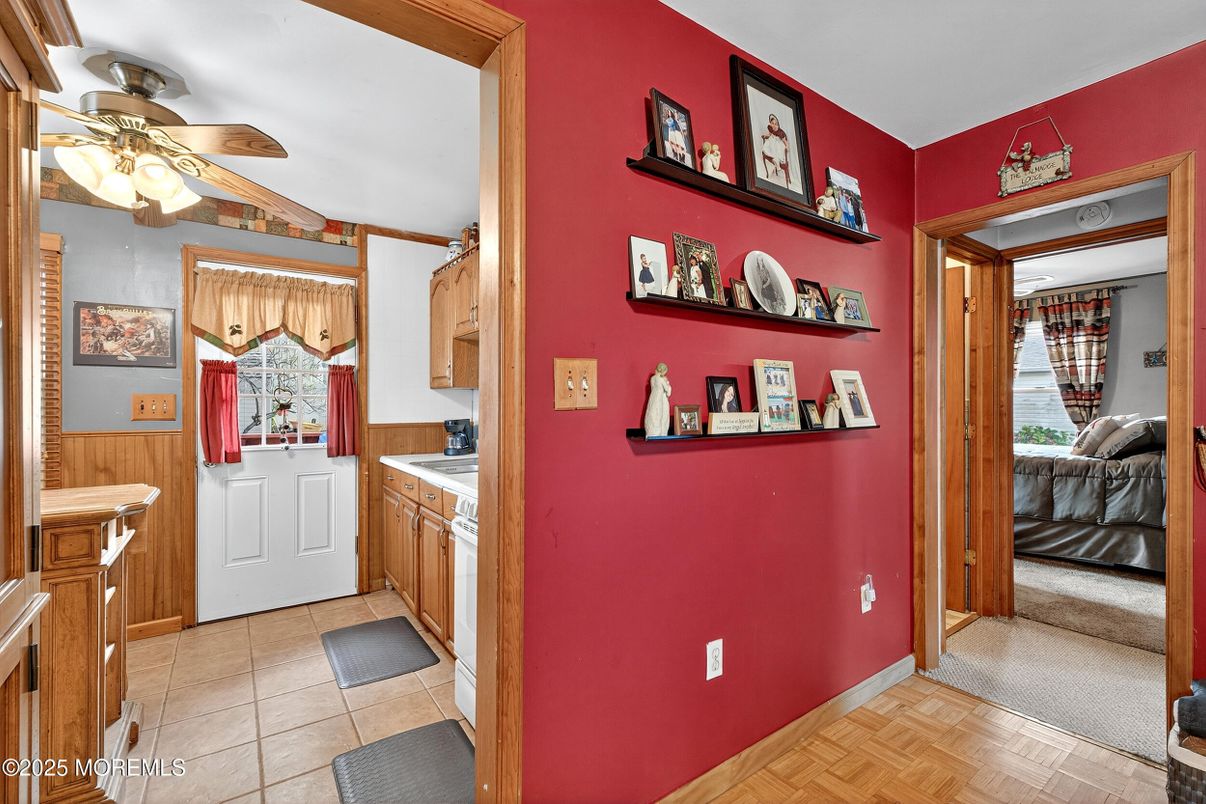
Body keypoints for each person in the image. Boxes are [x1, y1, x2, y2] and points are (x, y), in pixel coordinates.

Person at [760, 114, 791, 187]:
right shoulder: (770, 128)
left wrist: (787, 146)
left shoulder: (780, 132)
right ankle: (774, 158)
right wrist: (765, 136)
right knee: (765, 147)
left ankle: (777, 161)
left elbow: (784, 141)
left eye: (775, 124)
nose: (774, 125)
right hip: (771, 141)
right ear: (770, 124)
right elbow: (770, 134)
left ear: (778, 125)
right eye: (772, 124)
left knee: (776, 147)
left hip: (778, 143)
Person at [643, 363, 672, 437]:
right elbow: (668, 392)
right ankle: (657, 432)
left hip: (653, 398)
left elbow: (653, 388)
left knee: (652, 413)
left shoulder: (652, 378)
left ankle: (651, 431)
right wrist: (667, 382)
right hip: (659, 400)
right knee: (658, 415)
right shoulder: (661, 379)